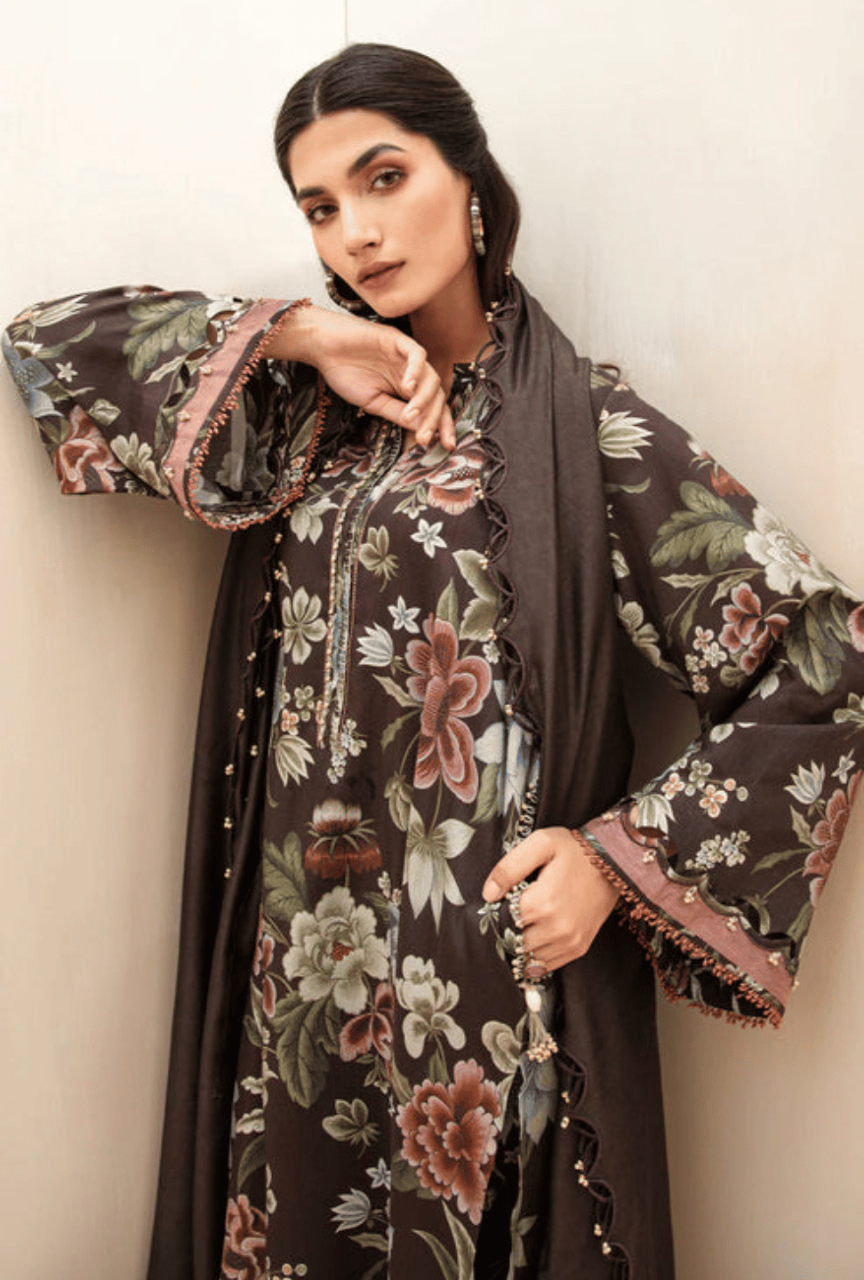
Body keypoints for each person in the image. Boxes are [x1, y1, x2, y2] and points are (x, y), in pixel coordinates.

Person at [3, 41, 863, 1280]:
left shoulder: (587, 431)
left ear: (469, 179)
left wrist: (612, 864)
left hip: (480, 990)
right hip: (299, 975)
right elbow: (51, 348)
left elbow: (822, 659)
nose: (356, 230)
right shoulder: (300, 416)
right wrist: (304, 336)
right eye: (319, 207)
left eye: (384, 176)